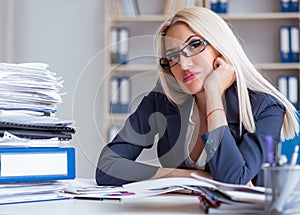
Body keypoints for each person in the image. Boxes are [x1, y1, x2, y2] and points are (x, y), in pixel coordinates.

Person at [96, 7, 299, 187]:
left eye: (194, 45)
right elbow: (107, 167)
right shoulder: (162, 101)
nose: (183, 65)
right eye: (173, 57)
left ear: (221, 48)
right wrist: (191, 176)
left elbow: (233, 180)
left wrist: (213, 94)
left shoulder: (266, 108)